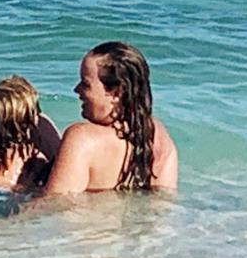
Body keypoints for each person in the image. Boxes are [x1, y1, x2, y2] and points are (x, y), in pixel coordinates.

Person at [43, 41, 178, 194]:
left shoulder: (82, 139)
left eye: (85, 84)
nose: (76, 89)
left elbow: (52, 204)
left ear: (116, 93)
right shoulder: (159, 138)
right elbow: (163, 201)